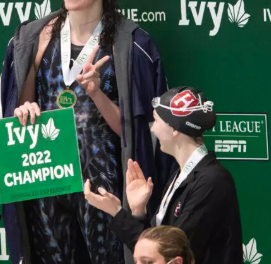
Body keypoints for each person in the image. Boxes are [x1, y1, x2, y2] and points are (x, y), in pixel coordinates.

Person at [0, 0, 173, 264]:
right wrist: (25, 110)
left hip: (103, 178)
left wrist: (96, 93)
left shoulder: (130, 44)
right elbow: (16, 110)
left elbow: (137, 134)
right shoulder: (36, 36)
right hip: (44, 175)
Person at [84, 86, 243, 264]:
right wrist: (138, 212)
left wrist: (117, 212)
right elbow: (157, 250)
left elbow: (169, 253)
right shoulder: (182, 175)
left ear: (175, 129)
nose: (153, 130)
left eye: (156, 121)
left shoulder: (212, 182)